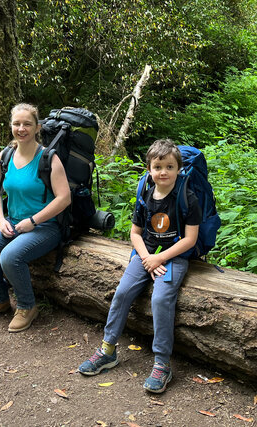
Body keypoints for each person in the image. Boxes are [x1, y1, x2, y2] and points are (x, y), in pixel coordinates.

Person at [77, 139, 202, 393]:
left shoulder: (187, 197)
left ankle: (162, 363)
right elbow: (135, 233)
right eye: (158, 166)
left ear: (179, 169)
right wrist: (148, 258)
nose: (163, 172)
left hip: (174, 256)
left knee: (160, 299)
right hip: (145, 253)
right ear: (149, 169)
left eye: (169, 166)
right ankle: (108, 350)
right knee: (122, 293)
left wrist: (160, 258)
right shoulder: (145, 190)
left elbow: (190, 239)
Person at [0, 103, 71, 332]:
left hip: (45, 227)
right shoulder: (5, 156)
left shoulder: (48, 158)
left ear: (37, 127)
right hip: (13, 222)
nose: (21, 128)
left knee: (9, 256)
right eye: (17, 123)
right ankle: (0, 300)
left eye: (27, 124)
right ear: (11, 126)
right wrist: (1, 219)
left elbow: (64, 198)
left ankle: (27, 306)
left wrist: (34, 221)